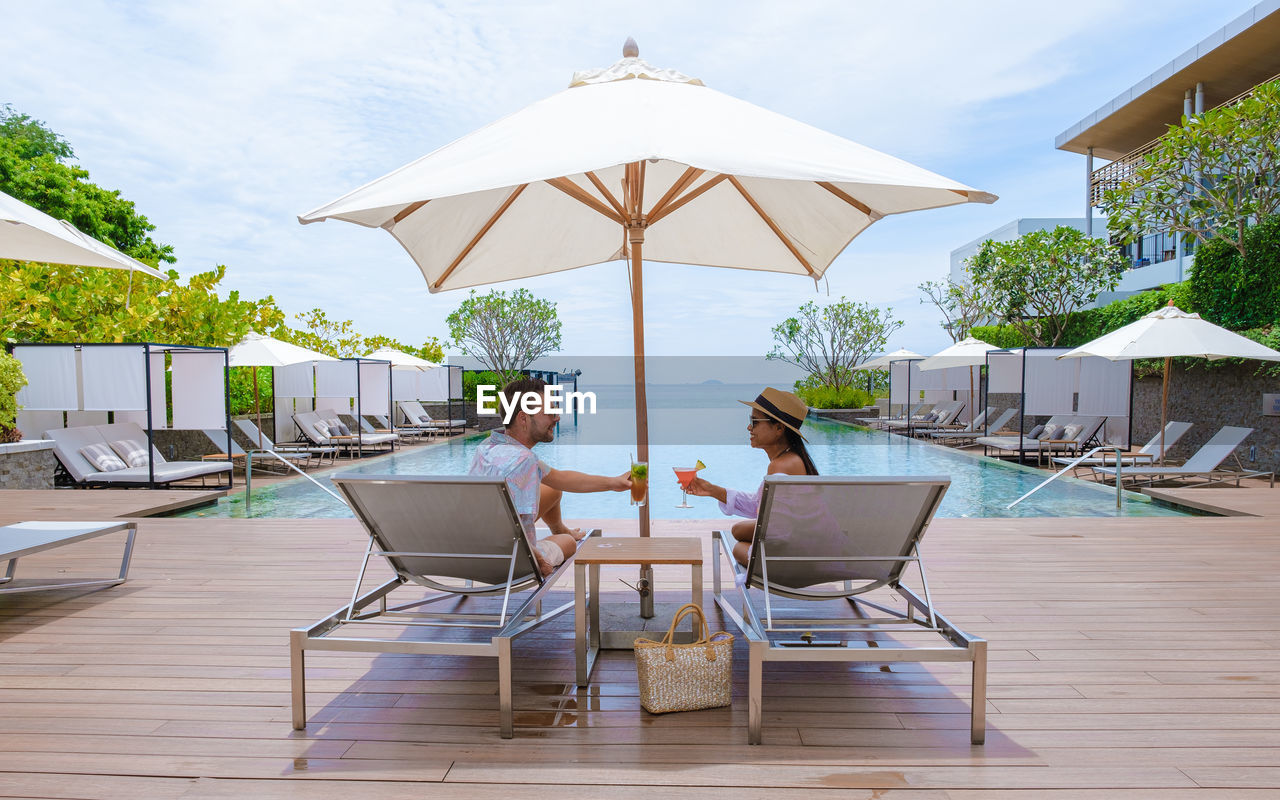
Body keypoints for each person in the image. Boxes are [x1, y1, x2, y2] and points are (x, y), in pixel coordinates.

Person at [469, 377, 631, 576]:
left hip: (475, 549)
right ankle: (563, 536)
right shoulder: (524, 461)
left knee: (553, 488)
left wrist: (614, 482)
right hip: (510, 562)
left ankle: (561, 528)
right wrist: (538, 559)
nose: (557, 417)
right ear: (523, 418)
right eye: (549, 411)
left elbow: (559, 479)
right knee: (568, 543)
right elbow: (514, 532)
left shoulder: (487, 446)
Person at [685, 387, 818, 565]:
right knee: (739, 533)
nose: (749, 427)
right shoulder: (793, 461)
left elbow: (777, 530)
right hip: (803, 551)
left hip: (790, 560)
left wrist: (740, 530)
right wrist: (711, 490)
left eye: (754, 421)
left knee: (739, 541)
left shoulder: (781, 466)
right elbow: (759, 506)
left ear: (779, 428)